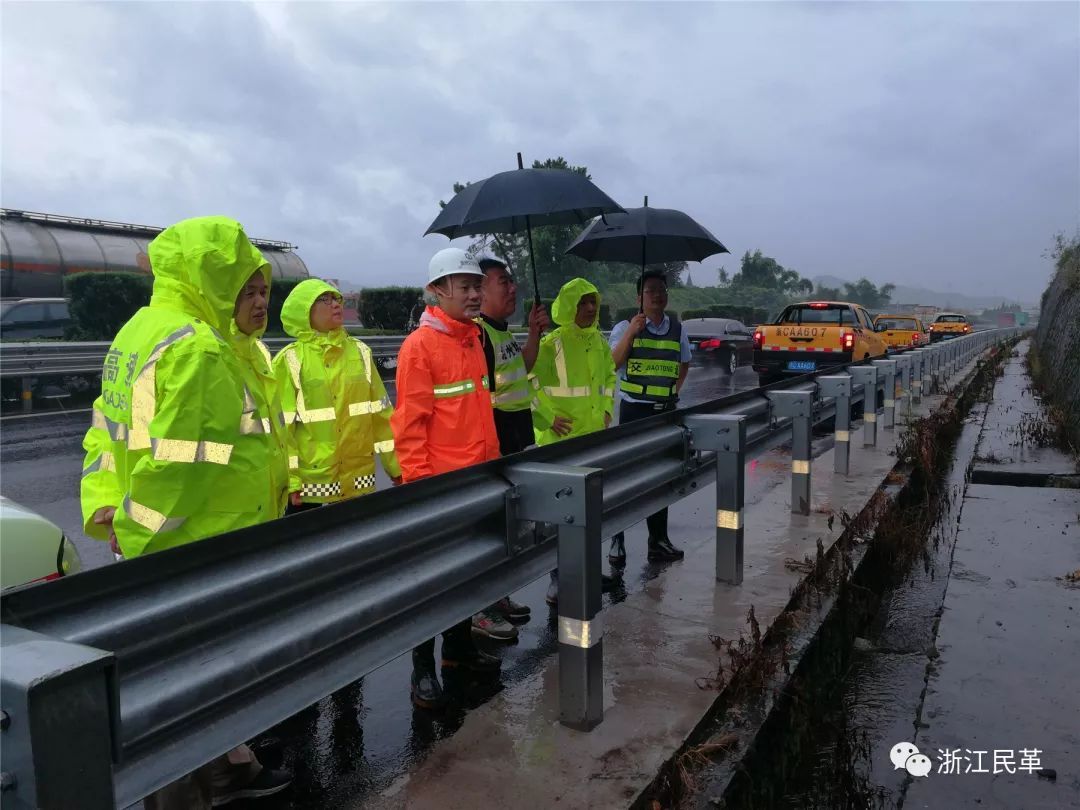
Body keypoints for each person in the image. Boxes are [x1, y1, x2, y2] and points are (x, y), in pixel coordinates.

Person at [79, 216, 292, 808]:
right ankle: (195, 790)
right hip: (200, 548)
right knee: (190, 693)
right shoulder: (198, 347)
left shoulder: (138, 332)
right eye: (240, 276)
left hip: (150, 544)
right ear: (214, 273)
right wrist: (136, 530)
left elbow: (106, 431)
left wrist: (108, 514)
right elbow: (185, 470)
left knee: (170, 685)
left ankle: (223, 773)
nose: (250, 292)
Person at [391, 247, 503, 709]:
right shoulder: (420, 347)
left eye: (477, 285)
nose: (475, 294)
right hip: (440, 486)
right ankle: (422, 669)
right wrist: (420, 486)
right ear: (437, 291)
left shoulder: (473, 339)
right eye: (465, 286)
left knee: (467, 576)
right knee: (433, 582)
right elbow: (409, 425)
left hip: (477, 478)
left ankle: (456, 655)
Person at [273, 279, 401, 512]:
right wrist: (291, 480)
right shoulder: (289, 360)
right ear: (304, 311)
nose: (335, 304)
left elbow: (382, 416)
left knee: (360, 544)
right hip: (312, 485)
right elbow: (283, 429)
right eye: (325, 300)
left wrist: (396, 467)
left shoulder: (361, 352)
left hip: (360, 479)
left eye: (337, 298)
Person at [529, 277, 618, 604]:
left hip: (593, 440)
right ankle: (558, 580)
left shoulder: (599, 342)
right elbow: (529, 382)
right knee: (561, 517)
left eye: (593, 301)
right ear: (569, 306)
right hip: (560, 444)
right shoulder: (552, 343)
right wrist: (549, 417)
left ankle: (589, 572)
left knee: (590, 511)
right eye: (582, 302)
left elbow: (610, 377)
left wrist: (608, 410)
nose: (590, 308)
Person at [606, 269, 691, 565]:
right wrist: (632, 332)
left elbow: (684, 365)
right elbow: (612, 364)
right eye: (651, 290)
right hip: (634, 412)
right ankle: (617, 539)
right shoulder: (623, 328)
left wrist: (672, 391)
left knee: (662, 477)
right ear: (638, 297)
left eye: (662, 290)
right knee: (627, 479)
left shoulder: (678, 329)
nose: (657, 295)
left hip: (665, 412)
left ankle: (658, 540)